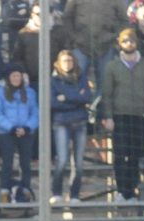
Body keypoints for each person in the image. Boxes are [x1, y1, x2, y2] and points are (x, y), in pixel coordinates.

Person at [99, 28, 144, 203]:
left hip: (140, 117)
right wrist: (109, 116)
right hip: (120, 116)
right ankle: (121, 191)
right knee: (120, 155)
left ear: (136, 43)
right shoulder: (112, 66)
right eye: (125, 41)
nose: (129, 44)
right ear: (120, 44)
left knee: (135, 156)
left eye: (132, 41)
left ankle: (131, 191)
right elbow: (107, 94)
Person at [48, 47, 92, 205]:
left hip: (80, 122)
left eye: (70, 60)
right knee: (62, 159)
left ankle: (74, 195)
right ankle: (57, 192)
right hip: (61, 123)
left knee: (78, 162)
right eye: (65, 61)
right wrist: (75, 98)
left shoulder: (81, 78)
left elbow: (87, 97)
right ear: (58, 63)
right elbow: (52, 103)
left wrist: (65, 98)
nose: (67, 63)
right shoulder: (53, 80)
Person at [0, 65, 37, 199]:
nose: (16, 78)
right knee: (7, 162)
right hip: (6, 132)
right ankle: (4, 190)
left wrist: (28, 127)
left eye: (19, 76)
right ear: (8, 78)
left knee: (26, 162)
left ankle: (26, 189)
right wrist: (10, 127)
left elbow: (35, 112)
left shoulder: (30, 93)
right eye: (14, 76)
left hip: (26, 132)